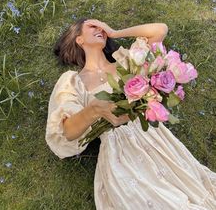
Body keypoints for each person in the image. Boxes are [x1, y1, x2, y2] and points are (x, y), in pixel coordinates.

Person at [45, 17, 216, 210]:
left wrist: (114, 32)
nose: (100, 28)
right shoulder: (73, 81)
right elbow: (67, 132)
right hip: (118, 150)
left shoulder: (126, 62)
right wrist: (94, 109)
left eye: (101, 26)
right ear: (79, 39)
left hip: (153, 138)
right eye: (93, 26)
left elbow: (159, 29)